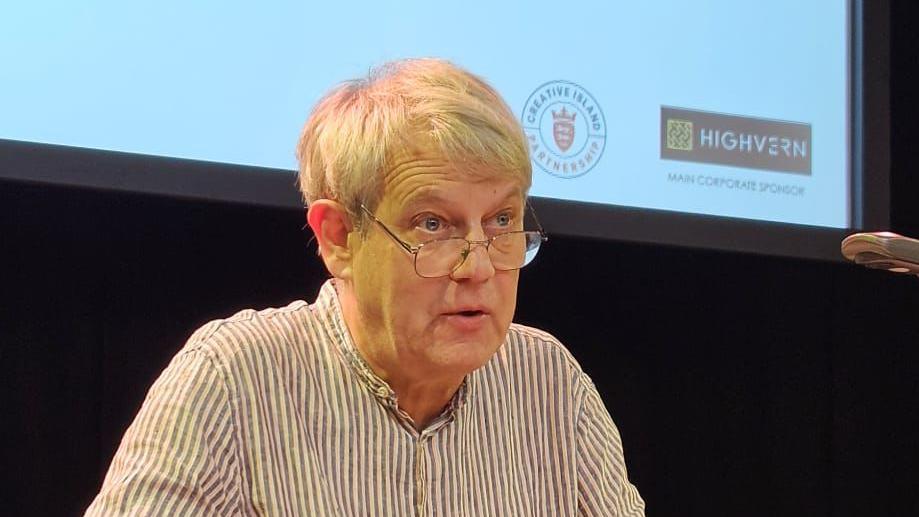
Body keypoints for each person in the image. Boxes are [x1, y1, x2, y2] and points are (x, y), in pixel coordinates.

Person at [85, 58, 645, 516]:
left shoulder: (550, 386)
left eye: (501, 221)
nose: (478, 268)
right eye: (433, 225)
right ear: (338, 238)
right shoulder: (234, 381)